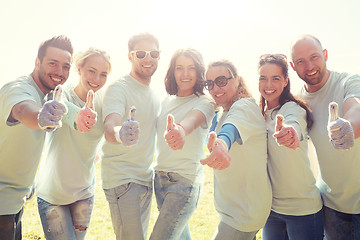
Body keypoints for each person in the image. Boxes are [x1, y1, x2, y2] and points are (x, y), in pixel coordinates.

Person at [0, 35, 73, 240]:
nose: (59, 72)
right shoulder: (18, 88)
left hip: (14, 202)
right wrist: (40, 117)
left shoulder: (46, 96)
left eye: (66, 66)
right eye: (53, 63)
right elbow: (23, 110)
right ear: (37, 63)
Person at [35, 47, 111, 240]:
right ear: (79, 68)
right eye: (91, 71)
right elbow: (63, 109)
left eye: (103, 74)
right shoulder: (61, 94)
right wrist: (78, 117)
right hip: (53, 196)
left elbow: (109, 128)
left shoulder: (103, 101)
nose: (96, 79)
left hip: (84, 194)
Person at [290, 34, 360, 240]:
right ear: (293, 67)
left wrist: (348, 127)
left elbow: (356, 105)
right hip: (332, 207)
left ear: (325, 55)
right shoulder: (299, 101)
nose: (309, 66)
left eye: (314, 57)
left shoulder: (349, 81)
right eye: (300, 61)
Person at [149, 48, 216, 240]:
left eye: (191, 68)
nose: (185, 74)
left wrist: (180, 130)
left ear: (199, 72)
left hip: (184, 183)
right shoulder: (166, 101)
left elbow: (191, 121)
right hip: (160, 179)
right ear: (172, 71)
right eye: (179, 68)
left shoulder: (206, 102)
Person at [201, 60, 272, 240]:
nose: (215, 88)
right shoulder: (224, 111)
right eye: (209, 83)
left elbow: (229, 131)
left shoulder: (244, 106)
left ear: (237, 80)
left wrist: (221, 145)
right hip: (236, 211)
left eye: (221, 80)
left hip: (242, 214)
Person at [102, 32, 161, 240]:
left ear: (159, 56)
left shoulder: (154, 94)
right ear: (130, 56)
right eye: (141, 53)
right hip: (123, 181)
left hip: (145, 179)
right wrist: (121, 133)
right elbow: (111, 125)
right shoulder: (119, 88)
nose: (148, 58)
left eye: (153, 53)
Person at [258, 54, 323, 240]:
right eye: (263, 78)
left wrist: (290, 132)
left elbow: (294, 122)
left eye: (275, 78)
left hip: (304, 210)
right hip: (271, 211)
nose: (268, 85)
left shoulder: (293, 108)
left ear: (286, 81)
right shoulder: (259, 115)